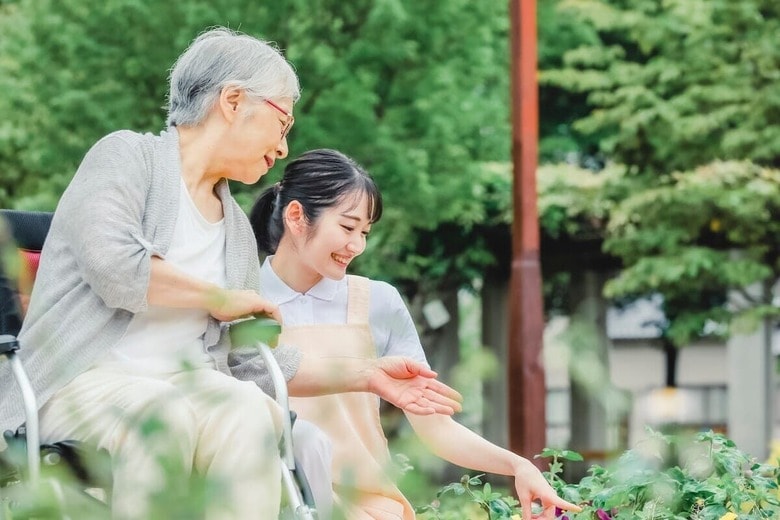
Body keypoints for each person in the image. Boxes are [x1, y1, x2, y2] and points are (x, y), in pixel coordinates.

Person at [0, 28, 461, 519]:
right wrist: (218, 298)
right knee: (168, 413)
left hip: (186, 389)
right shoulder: (126, 157)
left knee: (247, 410)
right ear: (234, 101)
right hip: (80, 382)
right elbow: (116, 268)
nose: (283, 149)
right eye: (282, 125)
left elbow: (250, 366)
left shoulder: (235, 228)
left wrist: (368, 376)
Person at [250, 148, 584, 520]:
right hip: (263, 501)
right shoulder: (241, 300)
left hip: (367, 507)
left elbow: (434, 426)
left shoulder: (378, 301)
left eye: (364, 232)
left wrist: (517, 465)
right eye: (347, 227)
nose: (356, 246)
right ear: (296, 216)